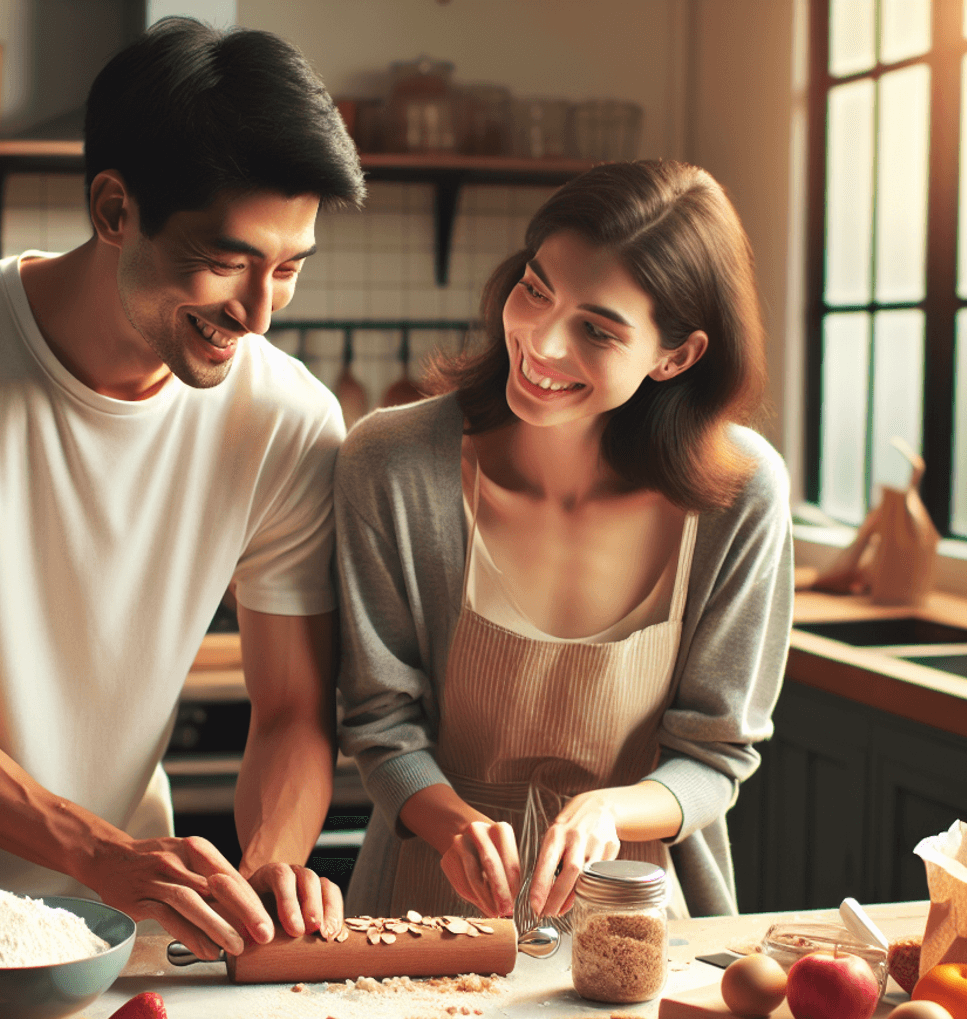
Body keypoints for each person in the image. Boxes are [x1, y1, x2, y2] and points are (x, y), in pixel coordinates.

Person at [0, 19, 366, 960]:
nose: (258, 312)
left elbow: (288, 711)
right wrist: (97, 849)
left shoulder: (288, 419)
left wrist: (269, 869)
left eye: (287, 269)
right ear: (115, 210)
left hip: (123, 924)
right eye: (227, 260)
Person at [335, 160, 792, 925]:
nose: (539, 341)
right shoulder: (390, 462)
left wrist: (609, 813)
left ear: (674, 357)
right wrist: (455, 826)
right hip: (423, 910)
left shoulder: (741, 493)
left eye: (597, 329)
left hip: (644, 918)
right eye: (536, 288)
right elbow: (380, 726)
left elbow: (716, 758)